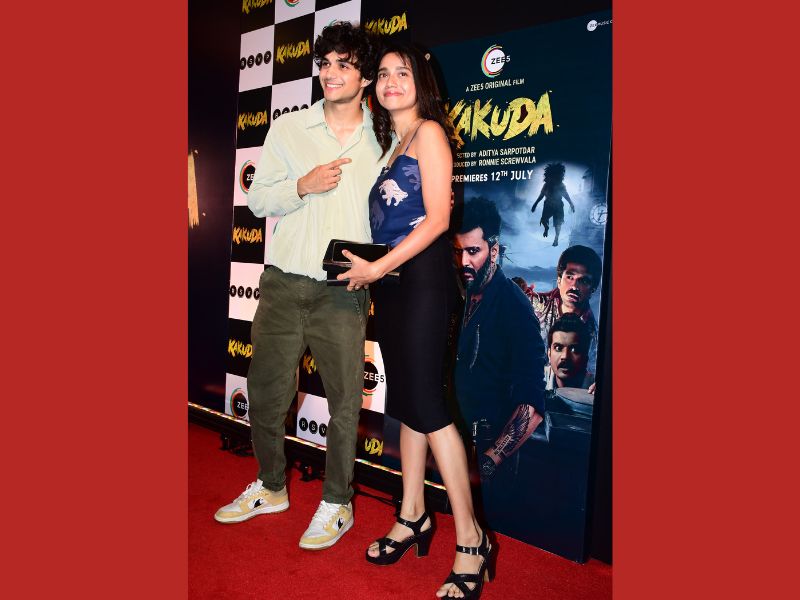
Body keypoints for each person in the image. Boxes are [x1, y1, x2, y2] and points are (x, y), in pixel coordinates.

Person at [213, 22, 385, 552]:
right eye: (325, 63)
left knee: (345, 403)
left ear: (364, 76)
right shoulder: (289, 128)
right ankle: (270, 486)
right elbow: (258, 200)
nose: (331, 74)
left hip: (343, 290)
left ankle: (337, 502)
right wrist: (302, 186)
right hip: (284, 283)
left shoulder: (384, 136)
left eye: (344, 65)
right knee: (266, 393)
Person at [338, 42, 493, 600]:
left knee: (428, 405)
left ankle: (472, 539)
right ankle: (412, 515)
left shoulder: (428, 133)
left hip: (423, 279)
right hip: (393, 284)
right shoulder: (391, 147)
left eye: (401, 72)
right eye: (382, 74)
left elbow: (438, 219)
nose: (390, 81)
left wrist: (378, 266)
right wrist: (372, 269)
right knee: (404, 403)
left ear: (421, 82)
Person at [451, 196, 546, 525]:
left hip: (489, 456)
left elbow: (532, 404)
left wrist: (489, 461)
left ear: (493, 250)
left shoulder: (514, 307)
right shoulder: (461, 294)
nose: (464, 261)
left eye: (472, 251)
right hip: (454, 444)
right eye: (457, 251)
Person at [529, 244, 602, 374]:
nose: (574, 286)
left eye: (583, 281)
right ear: (559, 280)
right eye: (570, 277)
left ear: (593, 289)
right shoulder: (532, 306)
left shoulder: (593, 337)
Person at [544, 313, 594, 391]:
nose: (565, 356)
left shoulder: (597, 387)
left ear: (586, 357)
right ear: (549, 354)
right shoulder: (536, 379)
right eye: (558, 348)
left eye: (574, 350)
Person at [530, 162, 575, 246]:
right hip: (548, 205)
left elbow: (566, 195)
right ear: (549, 176)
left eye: (555, 177)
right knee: (543, 220)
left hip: (558, 205)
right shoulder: (546, 185)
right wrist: (535, 204)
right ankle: (546, 228)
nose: (553, 179)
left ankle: (556, 238)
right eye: (551, 177)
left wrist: (571, 204)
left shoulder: (561, 185)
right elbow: (541, 195)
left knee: (558, 223)